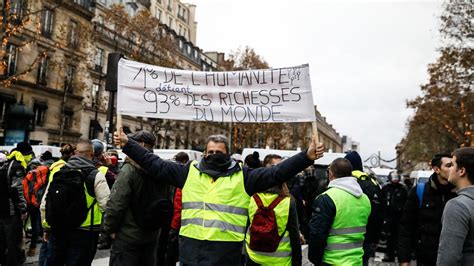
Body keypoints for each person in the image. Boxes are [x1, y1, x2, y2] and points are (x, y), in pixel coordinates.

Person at [114, 129, 324, 265]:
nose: (214, 155)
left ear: (228, 154)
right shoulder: (188, 172)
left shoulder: (243, 177)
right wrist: (127, 145)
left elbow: (277, 173)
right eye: (211, 151)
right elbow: (154, 164)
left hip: (225, 256)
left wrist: (306, 157)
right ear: (205, 153)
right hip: (190, 253)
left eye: (219, 152)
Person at [104, 131, 168, 265]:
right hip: (152, 234)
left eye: (131, 142)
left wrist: (110, 229)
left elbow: (116, 203)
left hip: (128, 236)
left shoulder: (129, 169)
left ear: (141, 144)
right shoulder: (160, 168)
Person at [41, 140, 110, 265]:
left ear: (75, 152)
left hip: (58, 228)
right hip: (85, 231)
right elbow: (107, 206)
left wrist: (46, 227)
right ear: (92, 153)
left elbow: (45, 204)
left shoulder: (58, 171)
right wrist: (107, 232)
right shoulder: (95, 175)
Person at [308, 158, 371, 265]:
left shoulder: (326, 198)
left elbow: (317, 235)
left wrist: (315, 260)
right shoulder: (365, 199)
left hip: (331, 261)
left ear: (330, 174)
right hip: (356, 261)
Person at [397, 153, 456, 266]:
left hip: (451, 258)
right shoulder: (419, 191)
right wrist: (404, 259)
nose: (453, 169)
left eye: (454, 165)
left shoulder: (458, 192)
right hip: (424, 257)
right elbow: (406, 227)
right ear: (436, 169)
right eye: (448, 165)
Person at [245, 154, 302, 266]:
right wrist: (297, 262)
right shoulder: (288, 202)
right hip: (280, 260)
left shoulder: (252, 197)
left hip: (254, 257)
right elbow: (294, 237)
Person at [38, 143, 75, 266]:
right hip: (54, 211)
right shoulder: (64, 168)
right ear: (71, 154)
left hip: (47, 207)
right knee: (51, 250)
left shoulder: (54, 165)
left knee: (45, 246)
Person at [344, 151, 383, 265]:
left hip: (344, 237)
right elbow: (379, 215)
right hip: (367, 236)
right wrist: (375, 239)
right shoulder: (373, 183)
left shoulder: (345, 182)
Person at [437, 147, 474, 265]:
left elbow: (448, 258)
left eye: (451, 165)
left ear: (461, 171)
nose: (449, 169)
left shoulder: (457, 206)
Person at [0, 142, 32, 265]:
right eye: (29, 155)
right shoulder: (17, 167)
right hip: (11, 211)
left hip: (2, 209)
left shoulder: (5, 164)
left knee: (2, 242)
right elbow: (17, 190)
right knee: (13, 242)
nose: (30, 157)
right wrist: (23, 209)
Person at [166, 152, 190, 266]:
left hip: (173, 223)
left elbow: (178, 206)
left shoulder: (175, 176)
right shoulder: (185, 178)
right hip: (183, 226)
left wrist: (174, 227)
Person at [380, 171, 407, 262]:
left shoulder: (403, 189)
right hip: (388, 217)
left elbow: (406, 203)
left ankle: (400, 256)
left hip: (399, 217)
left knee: (399, 238)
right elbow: (381, 202)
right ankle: (389, 255)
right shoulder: (386, 188)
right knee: (389, 237)